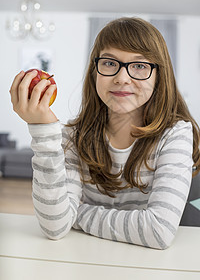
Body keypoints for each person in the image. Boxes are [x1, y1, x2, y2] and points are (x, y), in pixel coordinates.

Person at [10, 17, 200, 250]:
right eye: (110, 63)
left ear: (159, 76)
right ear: (94, 71)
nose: (122, 78)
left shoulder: (176, 133)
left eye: (139, 66)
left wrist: (76, 213)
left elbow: (158, 230)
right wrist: (43, 131)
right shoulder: (73, 136)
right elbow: (55, 226)